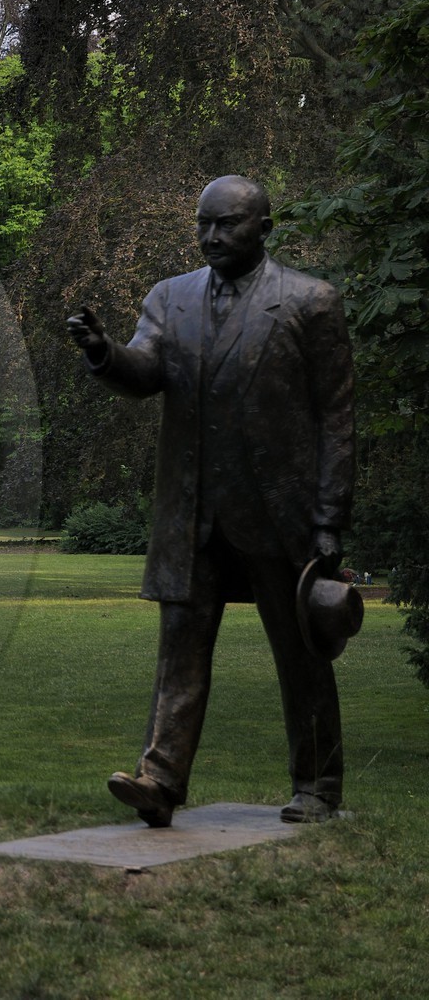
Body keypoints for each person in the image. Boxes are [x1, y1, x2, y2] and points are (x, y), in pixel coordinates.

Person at [67, 174, 357, 827]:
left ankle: (318, 784)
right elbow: (146, 371)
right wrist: (103, 353)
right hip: (194, 513)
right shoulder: (171, 299)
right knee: (180, 647)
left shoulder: (311, 303)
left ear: (264, 228)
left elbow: (337, 418)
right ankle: (161, 780)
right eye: (203, 224)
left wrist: (329, 518)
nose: (211, 236)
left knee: (301, 652)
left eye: (226, 224)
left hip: (279, 518)